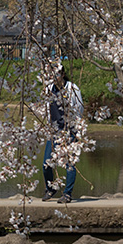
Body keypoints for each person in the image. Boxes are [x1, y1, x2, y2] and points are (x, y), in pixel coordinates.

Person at [43, 65, 84, 204]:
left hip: (69, 130)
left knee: (70, 164)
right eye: (52, 75)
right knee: (46, 163)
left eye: (57, 75)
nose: (55, 78)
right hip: (54, 131)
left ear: (63, 74)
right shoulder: (49, 89)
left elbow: (79, 109)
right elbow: (46, 108)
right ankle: (50, 187)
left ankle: (67, 193)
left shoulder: (72, 89)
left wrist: (76, 131)